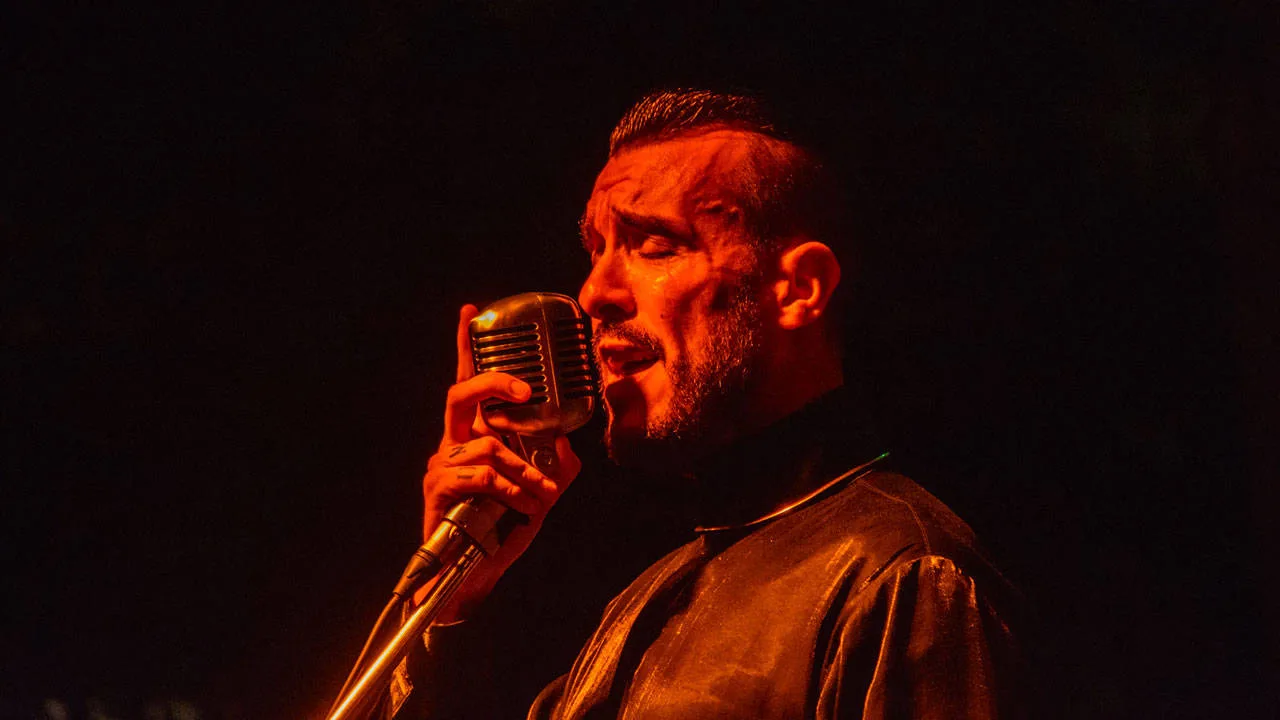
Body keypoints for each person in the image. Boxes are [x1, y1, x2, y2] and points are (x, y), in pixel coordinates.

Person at [400, 89, 1021, 719]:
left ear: (799, 288)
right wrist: (453, 596)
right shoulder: (644, 603)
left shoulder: (906, 577)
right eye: (596, 250)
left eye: (653, 246)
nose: (593, 294)